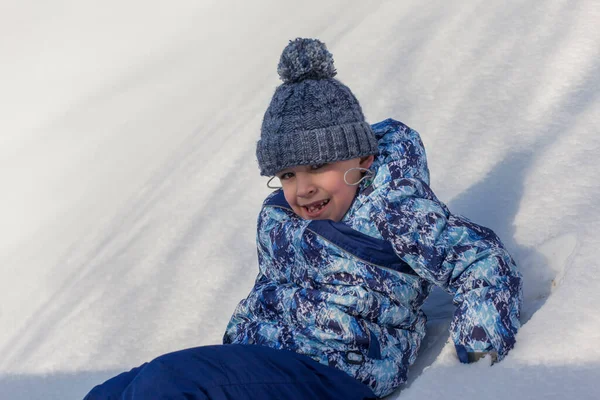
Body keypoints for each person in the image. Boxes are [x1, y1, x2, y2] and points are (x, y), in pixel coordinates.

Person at [85, 38, 522, 400]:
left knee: (169, 385)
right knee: (112, 393)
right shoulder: (279, 217)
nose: (303, 188)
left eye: (318, 168)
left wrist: (479, 347)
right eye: (288, 175)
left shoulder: (395, 209)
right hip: (266, 362)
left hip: (335, 372)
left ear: (364, 159)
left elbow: (479, 259)